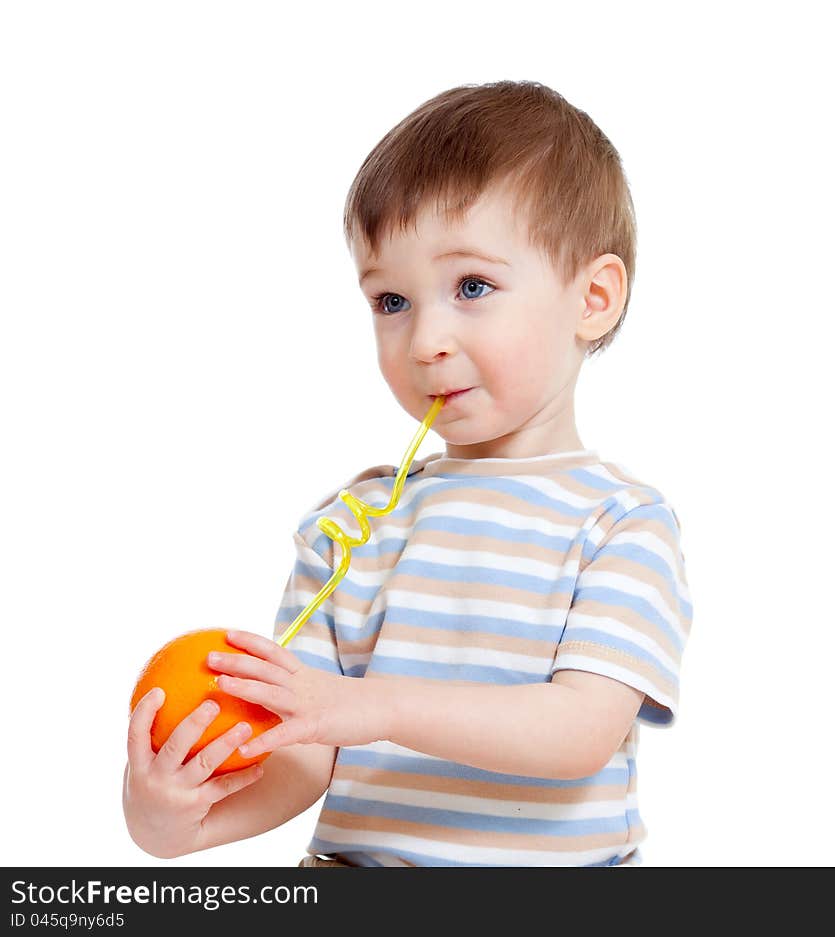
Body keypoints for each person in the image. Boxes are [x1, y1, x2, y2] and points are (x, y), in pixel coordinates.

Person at [123, 79, 693, 867]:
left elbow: (579, 731)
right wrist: (175, 820)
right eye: (391, 299)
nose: (424, 337)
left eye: (472, 286)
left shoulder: (621, 523)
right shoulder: (351, 523)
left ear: (592, 299)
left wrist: (373, 704)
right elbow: (306, 744)